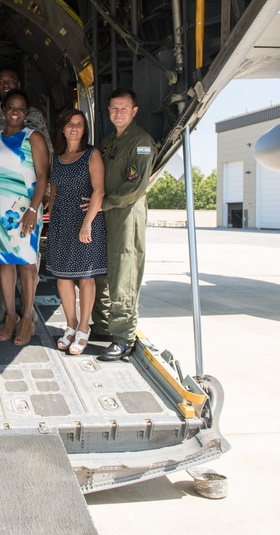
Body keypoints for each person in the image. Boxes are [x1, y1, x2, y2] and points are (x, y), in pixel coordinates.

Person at [0, 69, 52, 323]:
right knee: (0, 261)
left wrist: (38, 206)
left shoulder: (35, 129)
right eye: (1, 82)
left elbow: (44, 168)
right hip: (0, 207)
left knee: (28, 262)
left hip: (26, 206)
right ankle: (7, 310)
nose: (15, 111)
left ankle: (27, 317)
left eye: (20, 107)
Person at [94, 89, 157, 361]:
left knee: (124, 271)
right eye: (113, 108)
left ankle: (123, 337)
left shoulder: (141, 142)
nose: (117, 113)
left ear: (134, 111)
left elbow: (136, 186)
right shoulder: (109, 141)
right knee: (103, 270)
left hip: (126, 213)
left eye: (124, 109)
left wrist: (104, 204)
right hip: (106, 211)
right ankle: (104, 326)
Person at [46, 109, 106, 355]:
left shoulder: (92, 154)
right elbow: (53, 193)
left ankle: (83, 328)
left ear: (84, 129)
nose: (74, 128)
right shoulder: (56, 158)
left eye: (79, 124)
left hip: (85, 222)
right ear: (62, 128)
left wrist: (87, 223)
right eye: (70, 123)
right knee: (62, 277)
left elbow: (99, 191)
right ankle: (70, 325)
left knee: (85, 276)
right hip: (61, 222)